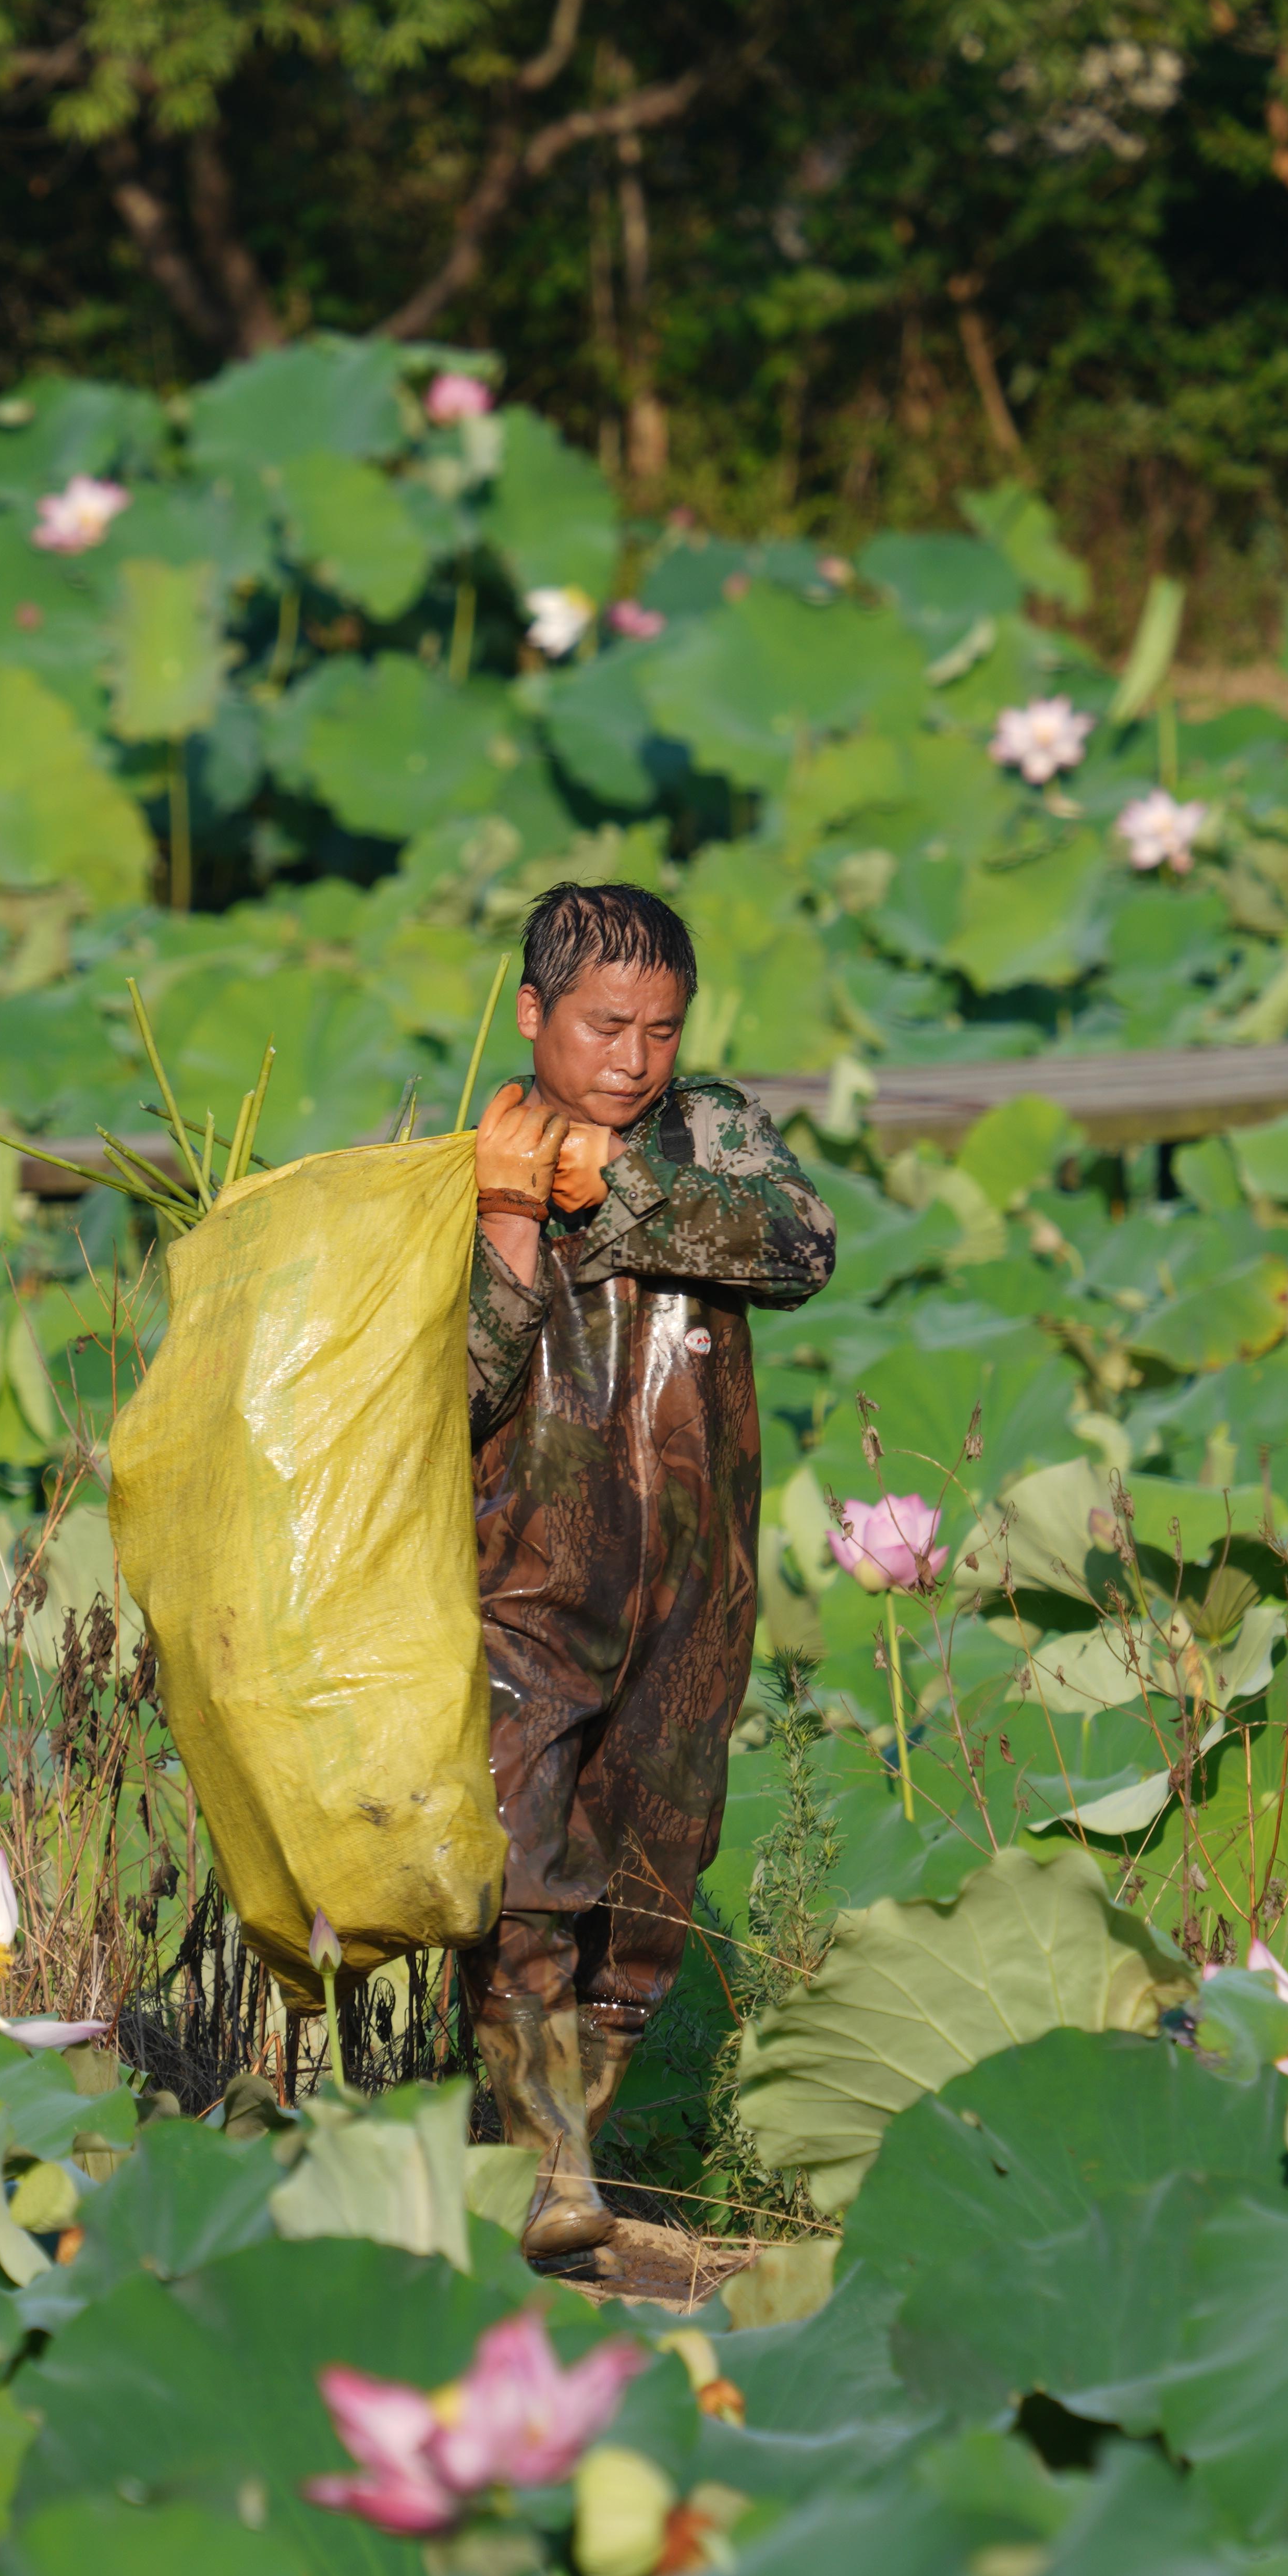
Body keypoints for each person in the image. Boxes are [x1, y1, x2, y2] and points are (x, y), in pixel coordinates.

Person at [464, 881, 836, 2260]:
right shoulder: (466, 1160)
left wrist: (618, 1187)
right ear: (533, 1014)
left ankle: (549, 2155)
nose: (632, 1062)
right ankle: (552, 2172)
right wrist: (510, 1222)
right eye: (604, 1028)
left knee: (649, 1890)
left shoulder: (714, 1132)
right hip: (525, 1584)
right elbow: (453, 1392)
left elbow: (799, 1245)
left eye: (661, 1032)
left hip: (691, 1587)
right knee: (518, 1872)